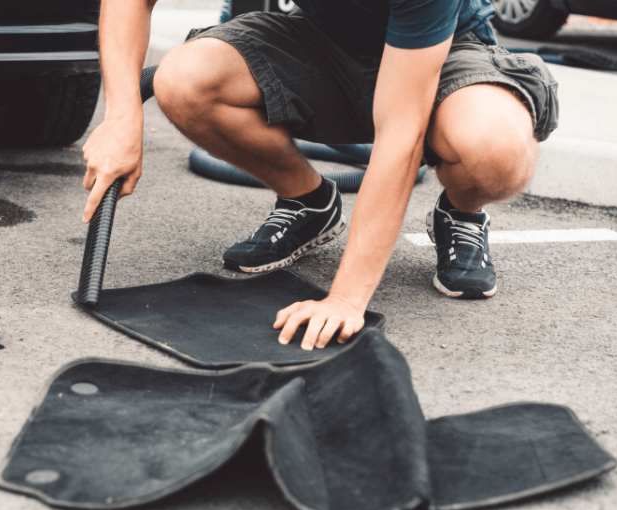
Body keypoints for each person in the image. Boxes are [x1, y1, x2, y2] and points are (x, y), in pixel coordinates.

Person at [81, 0, 558, 350]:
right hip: (319, 41)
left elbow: (400, 133)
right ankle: (307, 201)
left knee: (497, 151)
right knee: (182, 81)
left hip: (445, 51)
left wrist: (347, 300)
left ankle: (462, 211)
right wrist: (122, 116)